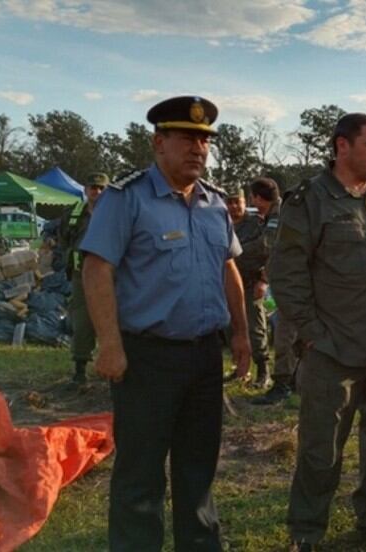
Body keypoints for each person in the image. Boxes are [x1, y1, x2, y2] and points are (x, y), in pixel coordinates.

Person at [79, 95, 251, 552]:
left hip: (202, 357)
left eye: (205, 141)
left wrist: (241, 332)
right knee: (141, 471)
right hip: (146, 357)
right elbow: (97, 269)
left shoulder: (215, 204)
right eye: (188, 138)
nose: (199, 148)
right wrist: (109, 345)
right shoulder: (126, 198)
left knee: (198, 467)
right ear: (159, 143)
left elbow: (227, 268)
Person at [269, 113, 366, 552]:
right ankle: (307, 531)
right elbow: (287, 273)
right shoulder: (309, 200)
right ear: (341, 147)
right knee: (321, 450)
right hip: (333, 349)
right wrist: (313, 333)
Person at [242, 177, 299, 405]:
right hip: (282, 282)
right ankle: (293, 382)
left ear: (257, 197)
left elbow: (266, 244)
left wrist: (234, 251)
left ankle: (283, 385)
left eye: (253, 198)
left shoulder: (278, 215)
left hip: (290, 284)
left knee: (285, 335)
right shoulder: (270, 215)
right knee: (288, 332)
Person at [59, 172, 108, 384]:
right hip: (82, 277)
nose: (96, 192)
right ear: (86, 190)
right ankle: (80, 370)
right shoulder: (74, 214)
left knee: (118, 321)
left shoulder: (116, 214)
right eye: (92, 187)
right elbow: (64, 239)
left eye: (100, 188)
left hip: (112, 277)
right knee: (82, 322)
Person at [225, 186, 271, 388]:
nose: (234, 206)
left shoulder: (257, 225)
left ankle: (263, 372)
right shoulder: (221, 224)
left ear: (246, 203)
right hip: (228, 287)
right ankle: (240, 369)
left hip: (252, 284)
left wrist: (264, 281)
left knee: (256, 329)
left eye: (238, 202)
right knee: (231, 329)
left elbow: (271, 252)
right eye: (230, 202)